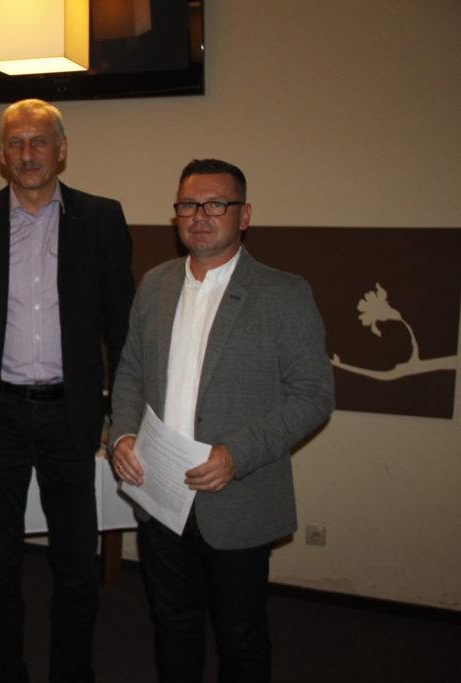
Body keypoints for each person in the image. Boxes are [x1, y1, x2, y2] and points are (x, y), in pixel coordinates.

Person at [109, 159, 335, 682]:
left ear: (244, 215)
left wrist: (238, 454)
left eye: (216, 204)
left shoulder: (284, 293)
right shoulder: (155, 284)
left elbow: (314, 395)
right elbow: (130, 373)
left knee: (241, 637)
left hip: (237, 497)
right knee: (172, 625)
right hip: (160, 495)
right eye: (189, 204)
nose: (200, 215)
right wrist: (122, 433)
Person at [0, 99, 135, 682]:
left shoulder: (101, 218)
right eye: (16, 143)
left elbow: (120, 325)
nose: (28, 154)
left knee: (76, 567)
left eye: (39, 141)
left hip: (69, 416)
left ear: (61, 149)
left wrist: (120, 414)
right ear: (2, 154)